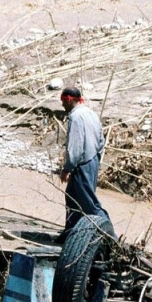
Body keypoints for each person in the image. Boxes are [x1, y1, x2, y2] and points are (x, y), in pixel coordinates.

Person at [59, 87, 111, 236]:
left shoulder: (75, 117)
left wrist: (68, 168)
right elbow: (101, 140)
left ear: (69, 100)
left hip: (82, 163)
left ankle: (109, 236)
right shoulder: (91, 114)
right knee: (72, 198)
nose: (62, 105)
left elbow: (75, 146)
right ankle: (71, 232)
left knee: (89, 203)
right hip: (92, 159)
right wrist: (95, 160)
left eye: (63, 101)